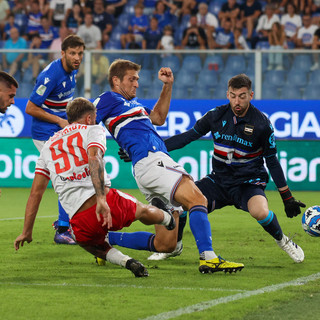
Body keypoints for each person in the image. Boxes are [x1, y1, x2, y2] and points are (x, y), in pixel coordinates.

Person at [94, 59, 244, 274]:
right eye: (132, 79)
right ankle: (209, 258)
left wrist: (167, 85)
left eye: (137, 79)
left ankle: (103, 238)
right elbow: (86, 121)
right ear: (116, 80)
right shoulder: (109, 98)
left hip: (146, 167)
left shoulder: (134, 106)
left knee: (166, 244)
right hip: (152, 160)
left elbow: (159, 117)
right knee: (198, 199)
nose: (136, 84)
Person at [146, 74, 306, 263]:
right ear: (227, 94)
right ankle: (175, 246)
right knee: (180, 206)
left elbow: (271, 161)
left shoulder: (262, 124)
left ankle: (283, 241)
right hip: (218, 180)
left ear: (251, 95)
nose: (237, 101)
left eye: (242, 96)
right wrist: (151, 148)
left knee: (261, 212)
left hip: (248, 182)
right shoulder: (216, 115)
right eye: (233, 95)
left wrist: (286, 198)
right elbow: (188, 136)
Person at [14, 97, 176, 277]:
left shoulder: (48, 146)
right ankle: (167, 218)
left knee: (90, 244)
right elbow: (94, 158)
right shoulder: (93, 130)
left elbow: (36, 193)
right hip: (106, 203)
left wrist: (26, 232)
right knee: (143, 211)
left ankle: (126, 261)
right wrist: (100, 198)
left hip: (79, 220)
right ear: (90, 118)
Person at [25, 34, 85, 245]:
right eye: (72, 53)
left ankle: (65, 223)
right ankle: (62, 229)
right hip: (44, 133)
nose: (77, 57)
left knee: (72, 172)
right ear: (63, 53)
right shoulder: (50, 76)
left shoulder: (73, 70)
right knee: (66, 174)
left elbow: (64, 102)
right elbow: (30, 107)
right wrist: (59, 122)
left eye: (80, 53)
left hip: (59, 130)